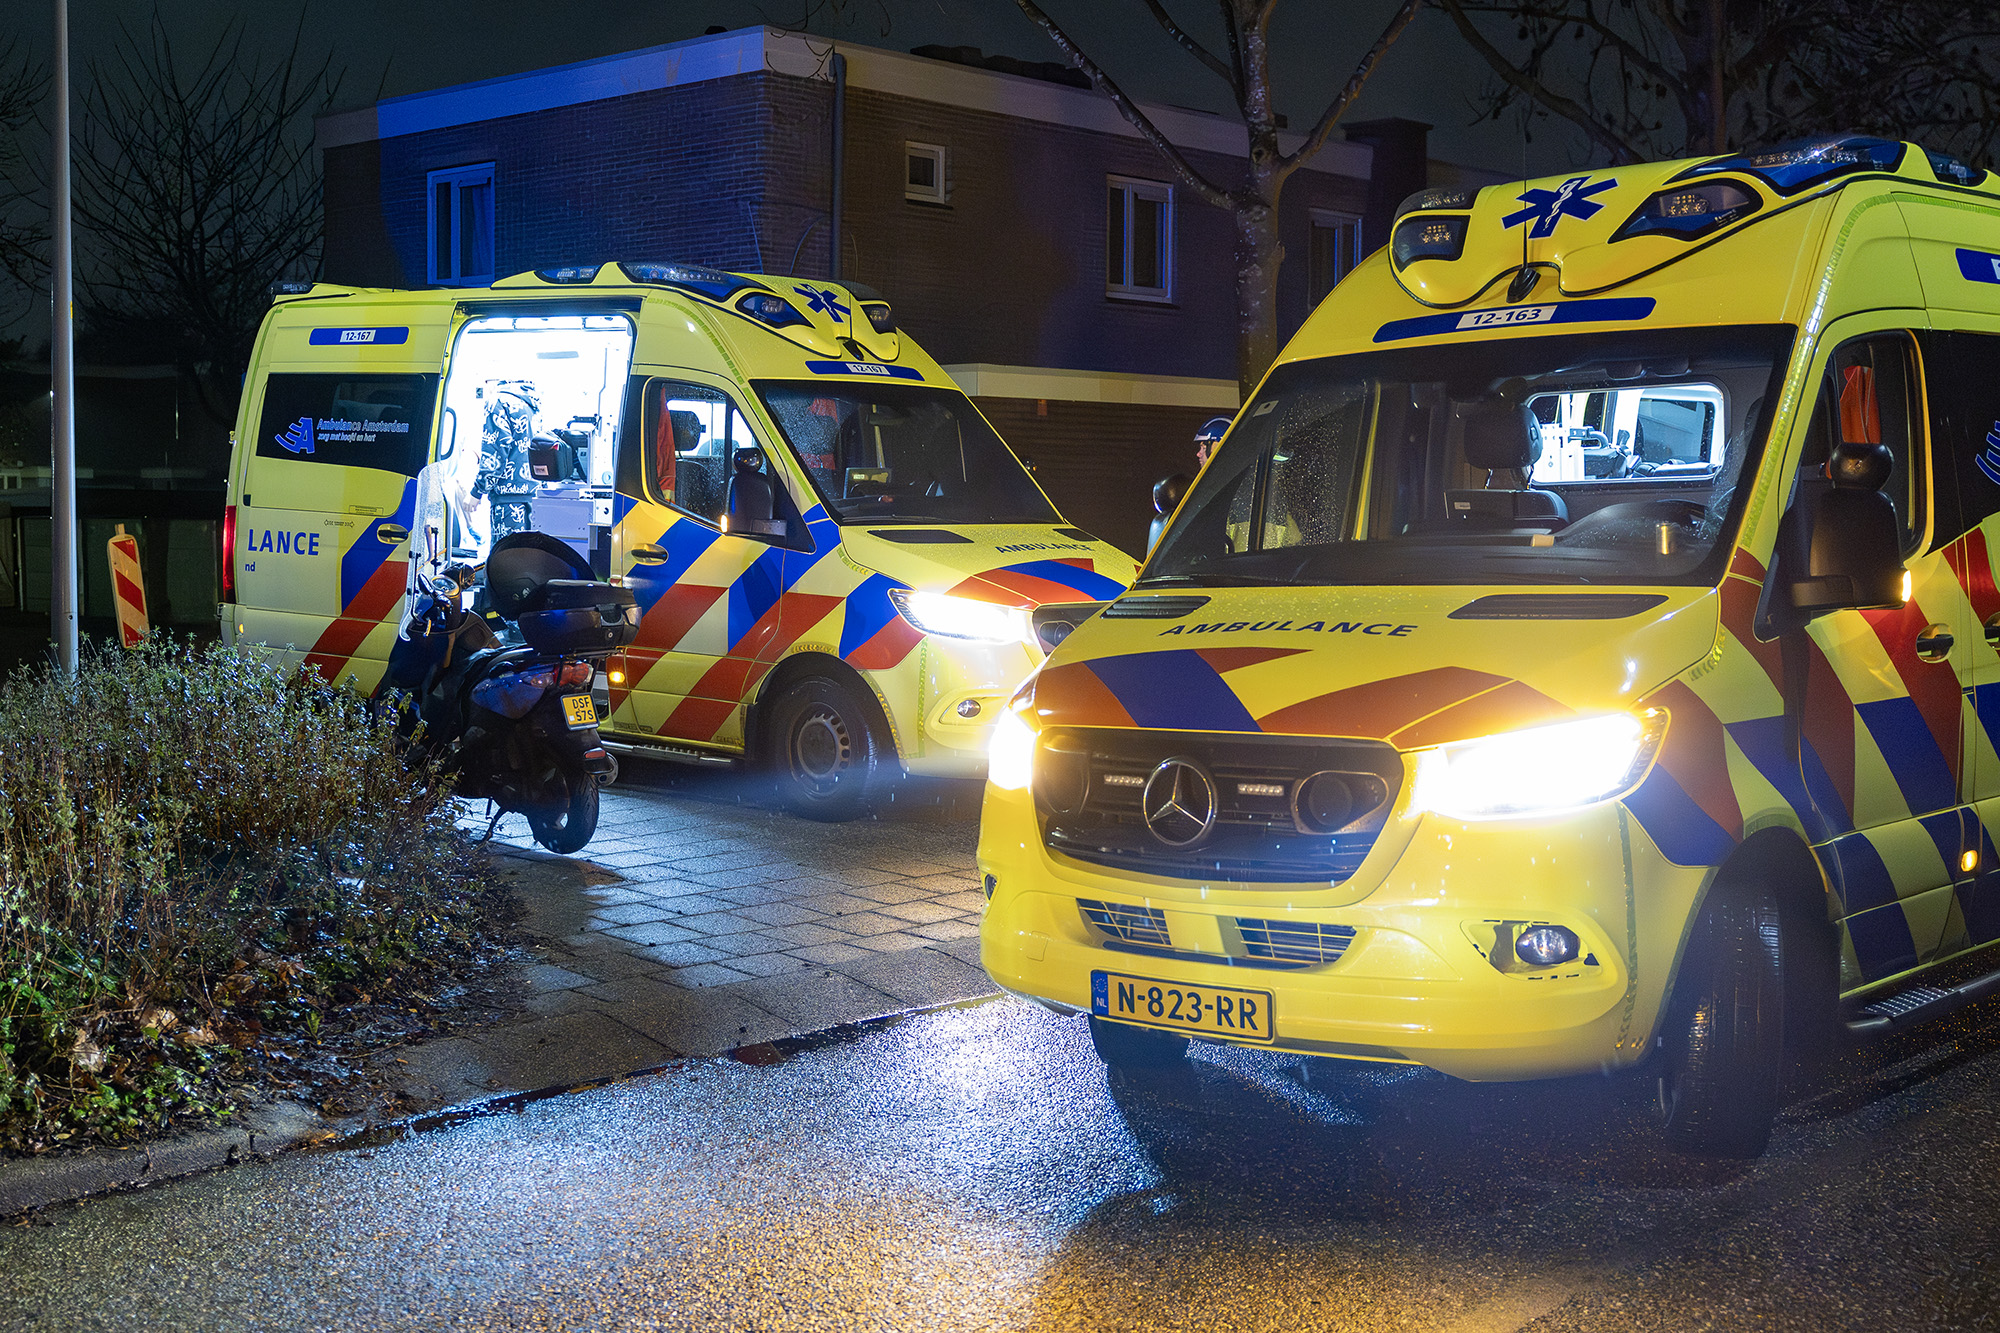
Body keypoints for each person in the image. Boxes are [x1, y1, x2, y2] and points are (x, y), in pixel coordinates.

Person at [473, 379, 540, 543]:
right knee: (529, 554)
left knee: (507, 555)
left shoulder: (498, 401)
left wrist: (477, 491)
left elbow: (495, 453)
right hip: (534, 498)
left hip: (507, 501)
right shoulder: (532, 403)